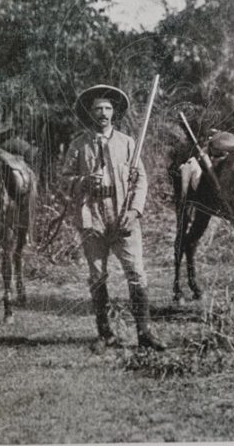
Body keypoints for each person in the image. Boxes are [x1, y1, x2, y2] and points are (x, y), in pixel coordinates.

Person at [61, 84, 165, 352]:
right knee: (97, 275)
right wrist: (83, 181)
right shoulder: (78, 145)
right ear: (90, 113)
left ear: (114, 112)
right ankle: (105, 333)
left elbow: (141, 180)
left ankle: (145, 333)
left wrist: (134, 211)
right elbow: (64, 181)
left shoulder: (128, 143)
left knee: (136, 273)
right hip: (92, 216)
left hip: (123, 216)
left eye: (107, 108)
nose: (103, 113)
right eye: (97, 109)